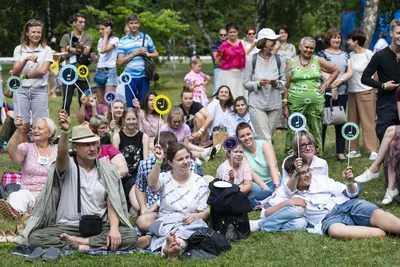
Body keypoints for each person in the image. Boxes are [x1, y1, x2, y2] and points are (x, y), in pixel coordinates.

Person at [25, 110, 142, 251]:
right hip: (67, 226)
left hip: (99, 226)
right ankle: (91, 246)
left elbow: (113, 202)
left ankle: (80, 242)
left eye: (94, 144)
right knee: (36, 237)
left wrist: (114, 229)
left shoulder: (108, 170)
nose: (92, 148)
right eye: (87, 145)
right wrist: (65, 131)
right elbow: (61, 155)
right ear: (74, 147)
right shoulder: (67, 166)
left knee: (129, 236)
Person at [281, 155, 400, 240]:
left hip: (346, 204)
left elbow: (352, 193)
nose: (307, 175)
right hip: (328, 218)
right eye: (302, 173)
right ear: (293, 175)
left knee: (377, 214)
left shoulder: (320, 180)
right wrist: (290, 200)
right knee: (335, 231)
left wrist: (348, 183)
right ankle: (380, 231)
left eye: (308, 171)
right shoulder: (288, 193)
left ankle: (389, 226)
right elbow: (267, 212)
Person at [148, 143, 209, 261]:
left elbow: (205, 213)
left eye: (187, 157)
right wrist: (158, 162)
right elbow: (152, 185)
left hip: (188, 224)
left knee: (196, 227)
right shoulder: (164, 177)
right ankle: (174, 246)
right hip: (167, 221)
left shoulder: (199, 181)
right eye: (180, 159)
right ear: (170, 162)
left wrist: (195, 216)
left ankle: (167, 246)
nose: (185, 161)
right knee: (166, 228)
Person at [135, 132, 204, 232]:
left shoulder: (189, 165)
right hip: (157, 213)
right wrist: (143, 208)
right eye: (164, 152)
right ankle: (173, 231)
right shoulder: (145, 164)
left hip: (183, 210)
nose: (165, 157)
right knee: (143, 221)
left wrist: (156, 205)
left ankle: (161, 232)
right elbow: (140, 187)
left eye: (169, 153)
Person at [283, 36, 339, 155]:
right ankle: (292, 157)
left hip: (316, 103)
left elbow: (336, 70)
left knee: (316, 131)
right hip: (296, 103)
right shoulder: (290, 62)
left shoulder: (318, 60)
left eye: (311, 48)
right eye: (306, 47)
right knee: (294, 131)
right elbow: (286, 85)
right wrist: (285, 104)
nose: (308, 50)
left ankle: (316, 159)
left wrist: (326, 84)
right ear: (300, 47)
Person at [0, 116, 57, 220]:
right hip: (28, 193)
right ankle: (16, 213)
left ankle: (27, 214)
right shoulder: (27, 147)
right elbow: (11, 150)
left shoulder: (57, 152)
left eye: (39, 128)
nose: (35, 130)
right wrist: (18, 130)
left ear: (50, 133)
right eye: (34, 128)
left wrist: (45, 193)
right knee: (16, 196)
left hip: (49, 194)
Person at [12, 19, 53, 143]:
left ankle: (38, 158)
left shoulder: (46, 50)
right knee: (22, 126)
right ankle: (23, 157)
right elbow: (15, 72)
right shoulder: (19, 49)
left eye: (39, 32)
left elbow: (42, 71)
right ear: (27, 33)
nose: (36, 35)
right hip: (21, 91)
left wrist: (24, 76)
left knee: (39, 127)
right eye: (33, 32)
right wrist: (25, 60)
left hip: (39, 91)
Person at [243, 28, 285, 142]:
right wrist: (258, 83)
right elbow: (246, 84)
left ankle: (260, 157)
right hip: (257, 104)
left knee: (267, 137)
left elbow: (284, 83)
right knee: (265, 138)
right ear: (264, 42)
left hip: (275, 105)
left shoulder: (278, 59)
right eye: (272, 40)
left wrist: (276, 83)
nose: (275, 42)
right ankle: (270, 160)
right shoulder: (251, 59)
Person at [361, 19, 400, 143]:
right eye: (398, 33)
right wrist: (383, 85)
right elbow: (365, 78)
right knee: (386, 139)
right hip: (386, 104)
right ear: (391, 34)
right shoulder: (380, 56)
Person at [318, 28, 353, 162]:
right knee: (322, 123)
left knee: (341, 122)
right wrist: (331, 84)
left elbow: (349, 72)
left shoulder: (346, 54)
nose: (336, 40)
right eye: (333, 37)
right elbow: (320, 70)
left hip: (342, 93)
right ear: (329, 39)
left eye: (338, 37)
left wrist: (339, 81)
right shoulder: (322, 54)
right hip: (325, 92)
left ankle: (340, 152)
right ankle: (319, 151)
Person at [346, 30, 378, 160]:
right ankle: (353, 149)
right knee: (352, 122)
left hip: (366, 91)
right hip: (352, 92)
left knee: (368, 122)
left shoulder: (368, 54)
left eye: (349, 39)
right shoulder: (349, 56)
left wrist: (375, 88)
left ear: (356, 41)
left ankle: (372, 149)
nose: (347, 42)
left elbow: (376, 72)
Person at [113, 108, 149, 213]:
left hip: (138, 174)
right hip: (123, 175)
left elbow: (145, 161)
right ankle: (141, 209)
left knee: (135, 185)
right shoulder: (117, 137)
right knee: (132, 185)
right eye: (128, 119)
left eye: (134, 119)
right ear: (123, 119)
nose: (131, 122)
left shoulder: (143, 137)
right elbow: (114, 160)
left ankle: (137, 209)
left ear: (137, 119)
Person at [117, 13, 159, 105]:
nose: (134, 25)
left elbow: (156, 54)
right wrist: (135, 53)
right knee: (130, 105)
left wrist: (147, 54)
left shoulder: (146, 37)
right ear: (127, 24)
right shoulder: (122, 41)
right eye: (131, 23)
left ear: (139, 24)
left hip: (144, 76)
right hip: (129, 77)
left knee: (144, 105)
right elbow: (120, 62)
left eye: (136, 23)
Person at [59, 13, 94, 115]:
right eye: (80, 22)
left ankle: (85, 124)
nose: (82, 24)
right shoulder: (66, 37)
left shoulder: (88, 37)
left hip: (82, 72)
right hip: (68, 73)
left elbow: (86, 52)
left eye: (84, 22)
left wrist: (69, 49)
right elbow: (63, 55)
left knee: (84, 101)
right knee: (66, 102)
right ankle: (64, 127)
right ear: (74, 23)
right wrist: (77, 49)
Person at [236, 122, 281, 198]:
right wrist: (266, 190)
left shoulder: (265, 145)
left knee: (286, 183)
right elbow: (252, 173)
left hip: (272, 181)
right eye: (242, 136)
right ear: (238, 139)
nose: (246, 138)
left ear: (253, 133)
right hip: (257, 185)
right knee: (251, 188)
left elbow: (273, 166)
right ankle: (268, 197)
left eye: (248, 134)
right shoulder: (240, 152)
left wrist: (276, 187)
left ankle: (264, 199)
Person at [215, 22, 246, 99]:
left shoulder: (242, 43)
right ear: (227, 33)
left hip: (240, 74)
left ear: (237, 32)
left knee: (240, 97)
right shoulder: (223, 45)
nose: (233, 34)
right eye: (230, 32)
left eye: (234, 32)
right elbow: (217, 60)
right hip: (227, 75)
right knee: (228, 97)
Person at [274, 24, 296, 131]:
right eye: (280, 33)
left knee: (287, 97)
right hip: (277, 73)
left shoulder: (292, 47)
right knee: (278, 97)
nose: (282, 35)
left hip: (288, 73)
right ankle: (278, 124)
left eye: (284, 33)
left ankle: (288, 122)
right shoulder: (274, 45)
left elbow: (294, 60)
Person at [95, 19, 119, 105]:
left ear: (109, 29)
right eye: (99, 29)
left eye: (103, 29)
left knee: (109, 100)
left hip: (110, 71)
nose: (100, 31)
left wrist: (106, 35)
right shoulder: (100, 41)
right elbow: (101, 55)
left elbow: (104, 49)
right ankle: (103, 118)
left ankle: (110, 118)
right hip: (100, 70)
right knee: (101, 101)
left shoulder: (115, 39)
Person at [211, 28, 228, 95]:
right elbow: (216, 57)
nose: (223, 36)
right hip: (218, 68)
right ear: (219, 35)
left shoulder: (230, 43)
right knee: (216, 87)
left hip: (229, 68)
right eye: (221, 35)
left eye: (224, 35)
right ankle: (214, 104)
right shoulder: (215, 44)